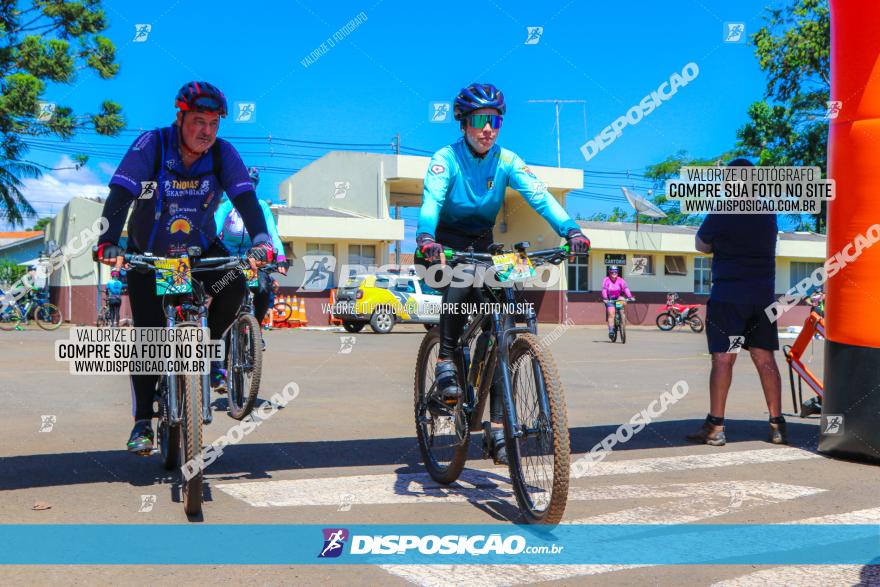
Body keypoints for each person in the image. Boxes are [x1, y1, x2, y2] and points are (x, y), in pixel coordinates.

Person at [95, 81, 275, 454]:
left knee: (235, 285)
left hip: (200, 251)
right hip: (154, 255)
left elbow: (245, 198)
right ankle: (143, 420)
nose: (206, 131)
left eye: (213, 123)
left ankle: (206, 354)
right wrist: (109, 239)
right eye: (198, 121)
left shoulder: (223, 155)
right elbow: (122, 195)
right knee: (150, 335)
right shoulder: (153, 146)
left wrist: (261, 239)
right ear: (180, 118)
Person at [416, 82, 591, 465]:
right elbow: (431, 201)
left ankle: (496, 428)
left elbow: (540, 195)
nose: (488, 128)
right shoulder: (445, 159)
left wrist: (571, 230)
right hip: (442, 247)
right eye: (480, 120)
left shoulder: (507, 160)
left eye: (495, 120)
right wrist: (427, 237)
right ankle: (445, 360)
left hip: (483, 245)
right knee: (461, 278)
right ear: (463, 123)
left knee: (504, 324)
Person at [688, 157, 785, 446]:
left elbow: (701, 245)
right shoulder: (768, 214)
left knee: (724, 358)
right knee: (764, 357)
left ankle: (716, 427)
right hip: (762, 299)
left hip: (729, 300)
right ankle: (777, 424)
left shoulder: (723, 211)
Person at [214, 166, 289, 328]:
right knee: (220, 289)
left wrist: (281, 257)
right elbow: (214, 232)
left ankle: (257, 328)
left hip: (253, 258)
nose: (250, 186)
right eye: (246, 182)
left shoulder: (262, 206)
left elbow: (273, 235)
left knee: (263, 290)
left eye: (253, 183)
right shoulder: (227, 206)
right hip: (228, 256)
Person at [601, 265, 635, 340]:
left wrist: (630, 296)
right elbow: (604, 290)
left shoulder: (621, 280)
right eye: (612, 272)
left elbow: (626, 289)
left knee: (623, 301)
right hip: (610, 299)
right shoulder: (606, 280)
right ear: (609, 272)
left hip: (618, 298)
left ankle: (622, 318)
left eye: (616, 271)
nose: (614, 273)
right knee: (611, 314)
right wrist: (605, 298)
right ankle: (611, 330)